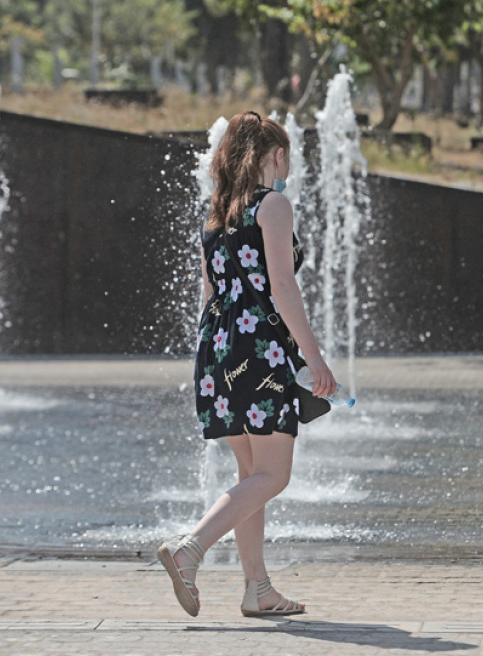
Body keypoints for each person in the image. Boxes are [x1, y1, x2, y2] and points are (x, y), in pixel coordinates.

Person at [157, 111, 337, 618]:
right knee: (273, 475)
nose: (289, 168)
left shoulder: (216, 216)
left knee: (250, 472)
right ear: (276, 155)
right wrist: (314, 358)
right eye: (288, 158)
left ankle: (258, 588)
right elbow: (282, 287)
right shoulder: (273, 205)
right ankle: (190, 549)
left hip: (217, 350)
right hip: (260, 352)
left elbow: (210, 294)